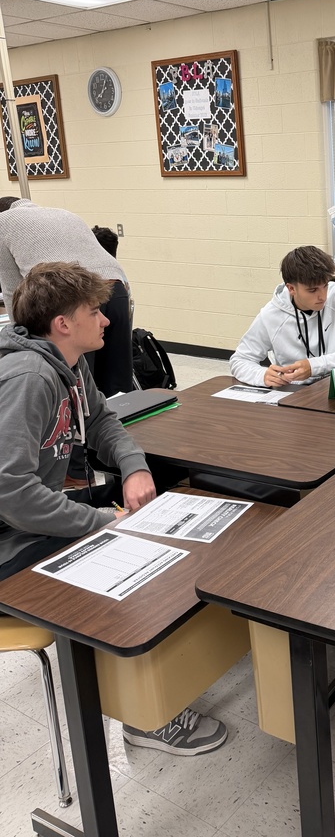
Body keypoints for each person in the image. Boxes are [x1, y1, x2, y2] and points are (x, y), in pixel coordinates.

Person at [0, 263, 227, 756]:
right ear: (63, 323)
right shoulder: (29, 377)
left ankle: (176, 656)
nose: (106, 320)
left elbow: (102, 421)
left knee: (162, 494)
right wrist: (102, 522)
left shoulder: (68, 363)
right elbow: (12, 493)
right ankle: (146, 718)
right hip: (9, 539)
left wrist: (135, 467)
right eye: (95, 311)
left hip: (29, 517)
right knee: (125, 561)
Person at [0, 198, 132, 398]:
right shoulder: (63, 213)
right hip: (115, 287)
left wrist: (18, 338)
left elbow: (13, 290)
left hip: (74, 297)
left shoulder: (3, 222)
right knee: (119, 382)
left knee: (80, 384)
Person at [230, 245, 335, 387]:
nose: (323, 296)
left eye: (325, 285)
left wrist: (315, 366)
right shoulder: (270, 315)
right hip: (295, 390)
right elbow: (240, 360)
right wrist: (261, 375)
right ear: (291, 288)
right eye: (312, 290)